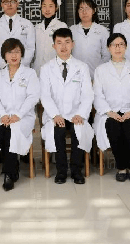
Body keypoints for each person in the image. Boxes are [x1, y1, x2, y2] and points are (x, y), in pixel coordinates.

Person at [40, 28, 94, 185]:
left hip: (76, 113)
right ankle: (61, 171)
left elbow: (87, 94)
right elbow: (45, 95)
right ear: (54, 46)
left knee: (78, 130)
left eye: (67, 42)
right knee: (58, 131)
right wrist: (55, 115)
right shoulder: (46, 68)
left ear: (73, 44)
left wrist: (81, 114)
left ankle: (76, 170)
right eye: (59, 43)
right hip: (55, 114)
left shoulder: (82, 67)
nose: (63, 46)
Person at [0, 38, 40, 191]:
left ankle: (8, 173)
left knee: (11, 131)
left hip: (24, 117)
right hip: (3, 116)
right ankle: (12, 167)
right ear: (4, 55)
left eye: (17, 51)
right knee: (2, 130)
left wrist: (18, 115)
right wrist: (3, 115)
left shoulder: (30, 73)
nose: (14, 55)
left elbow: (33, 97)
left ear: (22, 54)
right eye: (10, 52)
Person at [93, 33, 130, 183]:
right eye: (114, 45)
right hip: (109, 112)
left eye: (121, 44)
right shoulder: (101, 70)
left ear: (126, 47)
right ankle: (121, 167)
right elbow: (97, 94)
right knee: (113, 127)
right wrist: (109, 112)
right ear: (108, 48)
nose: (118, 48)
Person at [0, 0, 36, 78]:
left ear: (17, 3)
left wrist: (18, 66)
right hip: (0, 71)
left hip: (22, 72)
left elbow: (30, 48)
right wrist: (4, 66)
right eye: (6, 2)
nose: (9, 5)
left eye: (12, 1)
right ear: (1, 4)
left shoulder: (27, 24)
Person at [69, 0, 109, 79]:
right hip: (76, 75)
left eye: (87, 8)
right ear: (78, 12)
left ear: (93, 11)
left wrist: (100, 71)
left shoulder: (102, 31)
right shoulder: (72, 30)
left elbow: (107, 55)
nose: (84, 12)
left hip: (97, 75)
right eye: (81, 9)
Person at [33, 0, 67, 76]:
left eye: (51, 6)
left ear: (56, 8)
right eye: (44, 6)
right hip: (37, 69)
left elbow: (65, 50)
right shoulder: (37, 28)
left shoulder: (61, 26)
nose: (47, 9)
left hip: (55, 70)